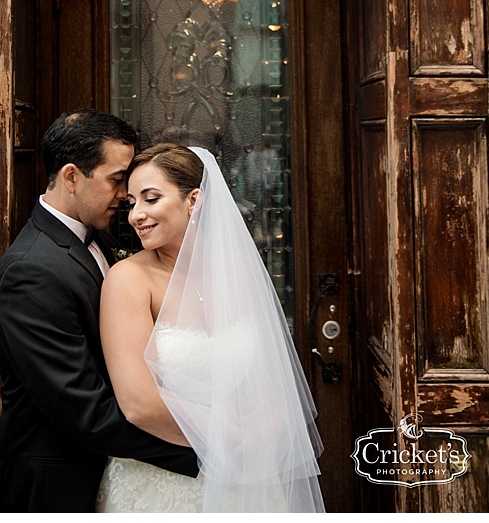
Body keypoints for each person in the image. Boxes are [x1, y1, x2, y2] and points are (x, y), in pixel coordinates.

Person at [0, 111, 200, 512]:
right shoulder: (30, 271)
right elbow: (85, 410)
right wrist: (205, 453)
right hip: (58, 489)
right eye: (117, 180)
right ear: (71, 177)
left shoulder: (104, 238)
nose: (125, 197)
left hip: (119, 470)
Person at [98, 143, 324, 512]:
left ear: (194, 199)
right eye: (132, 203)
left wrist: (265, 428)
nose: (136, 215)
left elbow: (273, 386)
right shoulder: (128, 280)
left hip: (249, 479)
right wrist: (225, 435)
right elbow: (138, 403)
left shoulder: (240, 276)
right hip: (162, 481)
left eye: (150, 199)